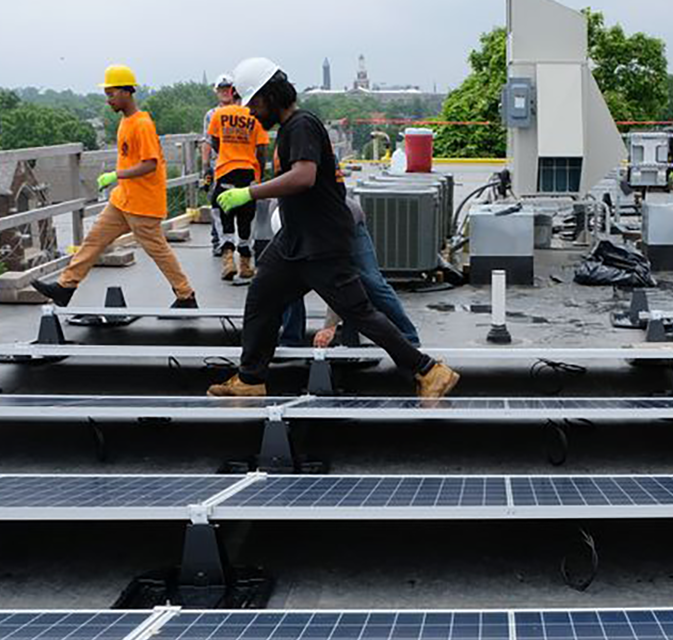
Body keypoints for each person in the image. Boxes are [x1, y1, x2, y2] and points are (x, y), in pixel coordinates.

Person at [209, 57, 456, 398]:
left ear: (270, 96)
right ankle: (251, 379)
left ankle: (429, 371)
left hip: (321, 241)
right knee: (261, 299)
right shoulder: (290, 129)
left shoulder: (301, 125)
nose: (250, 112)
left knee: (360, 312)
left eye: (253, 103)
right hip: (295, 239)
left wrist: (249, 193)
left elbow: (304, 176)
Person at [33, 65, 196, 310]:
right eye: (106, 94)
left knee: (158, 251)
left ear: (126, 92)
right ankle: (65, 287)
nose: (108, 100)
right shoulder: (125, 122)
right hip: (123, 200)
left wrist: (115, 175)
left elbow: (150, 164)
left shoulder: (142, 124)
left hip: (143, 203)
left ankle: (186, 295)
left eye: (111, 94)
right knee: (93, 241)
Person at [280, 194, 421, 347]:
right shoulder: (278, 214)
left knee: (372, 283)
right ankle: (290, 339)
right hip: (310, 227)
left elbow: (338, 277)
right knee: (288, 282)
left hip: (347, 223)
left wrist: (330, 326)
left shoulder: (328, 222)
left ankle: (408, 336)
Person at [204, 73, 268, 281]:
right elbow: (262, 149)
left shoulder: (218, 115)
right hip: (247, 172)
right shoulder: (255, 117)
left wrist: (226, 153)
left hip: (225, 172)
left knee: (222, 214)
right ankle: (246, 265)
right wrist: (258, 173)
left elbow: (213, 141)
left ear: (232, 93)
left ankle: (228, 260)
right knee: (246, 219)